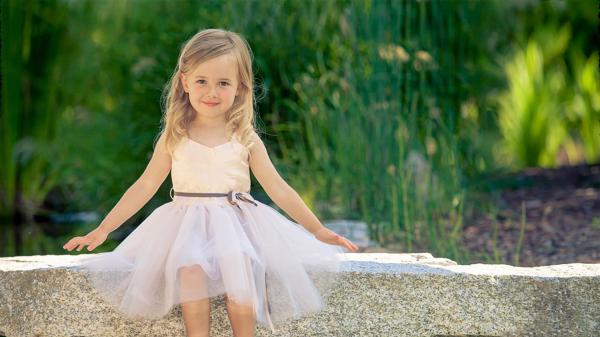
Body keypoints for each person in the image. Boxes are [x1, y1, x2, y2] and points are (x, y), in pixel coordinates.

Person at [62, 28, 358, 337]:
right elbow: (145, 185)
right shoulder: (175, 134)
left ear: (240, 88)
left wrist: (317, 229)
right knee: (191, 274)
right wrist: (104, 228)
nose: (212, 92)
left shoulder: (245, 137)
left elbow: (278, 187)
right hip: (186, 225)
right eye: (202, 81)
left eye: (223, 83)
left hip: (236, 225)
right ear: (184, 82)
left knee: (240, 279)